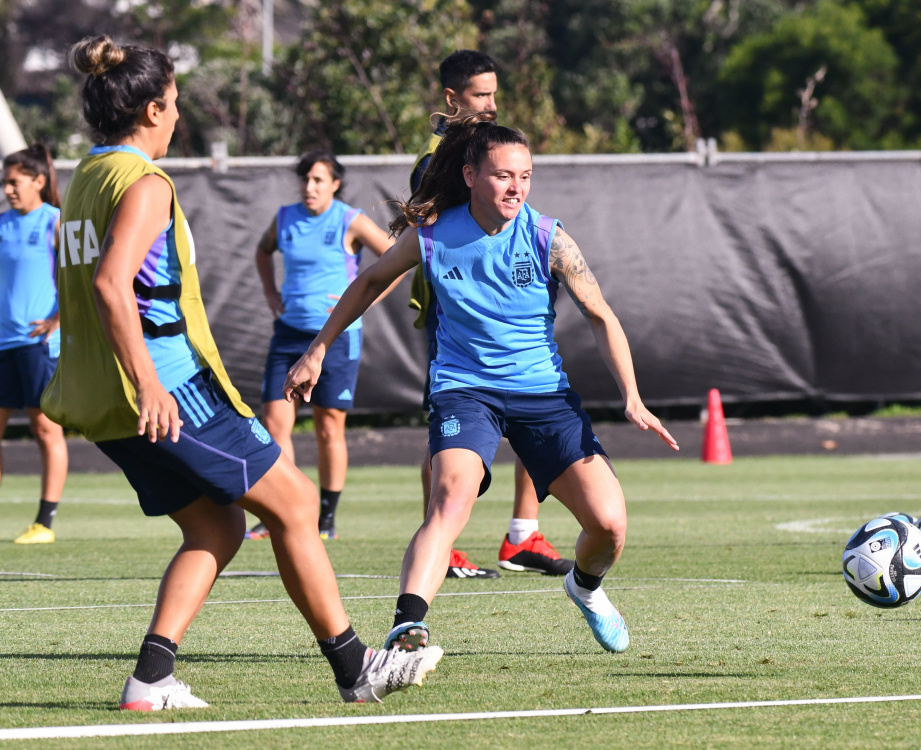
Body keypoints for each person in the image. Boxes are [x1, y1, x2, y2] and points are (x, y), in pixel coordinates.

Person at [42, 34, 442, 710]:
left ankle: (150, 678)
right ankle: (356, 667)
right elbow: (112, 286)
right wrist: (149, 382)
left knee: (218, 528)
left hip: (104, 397)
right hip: (168, 389)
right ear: (148, 111)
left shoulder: (87, 176)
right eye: (171, 105)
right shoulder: (142, 181)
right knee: (294, 505)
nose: (176, 117)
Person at [283, 111, 679, 656]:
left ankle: (584, 588)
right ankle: (407, 627)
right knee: (450, 500)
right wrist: (317, 350)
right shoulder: (433, 234)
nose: (516, 186)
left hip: (543, 395)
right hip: (464, 390)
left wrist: (632, 397)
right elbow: (371, 280)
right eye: (502, 175)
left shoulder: (548, 237)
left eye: (525, 175)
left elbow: (601, 316)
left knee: (609, 526)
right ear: (470, 176)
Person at [410, 49, 573, 579]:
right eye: (481, 95)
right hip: (459, 313)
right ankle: (444, 537)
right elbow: (431, 236)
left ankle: (523, 534)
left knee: (534, 399)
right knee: (449, 431)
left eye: (495, 93)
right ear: (453, 99)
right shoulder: (438, 161)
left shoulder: (499, 148)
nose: (491, 104)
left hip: (516, 304)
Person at [245, 151, 393, 542]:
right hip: (289, 335)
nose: (309, 187)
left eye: (318, 180)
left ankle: (326, 517)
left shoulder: (349, 219)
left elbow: (395, 259)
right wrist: (270, 293)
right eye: (305, 179)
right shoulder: (285, 218)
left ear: (335, 184)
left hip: (337, 339)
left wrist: (367, 300)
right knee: (275, 423)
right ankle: (282, 509)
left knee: (329, 427)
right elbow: (262, 251)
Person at [0, 144, 68, 545]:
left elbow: (80, 278)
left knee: (44, 430)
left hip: (40, 345)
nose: (8, 190)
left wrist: (56, 319)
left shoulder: (55, 222)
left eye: (14, 182)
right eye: (4, 183)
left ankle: (44, 523)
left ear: (38, 181)